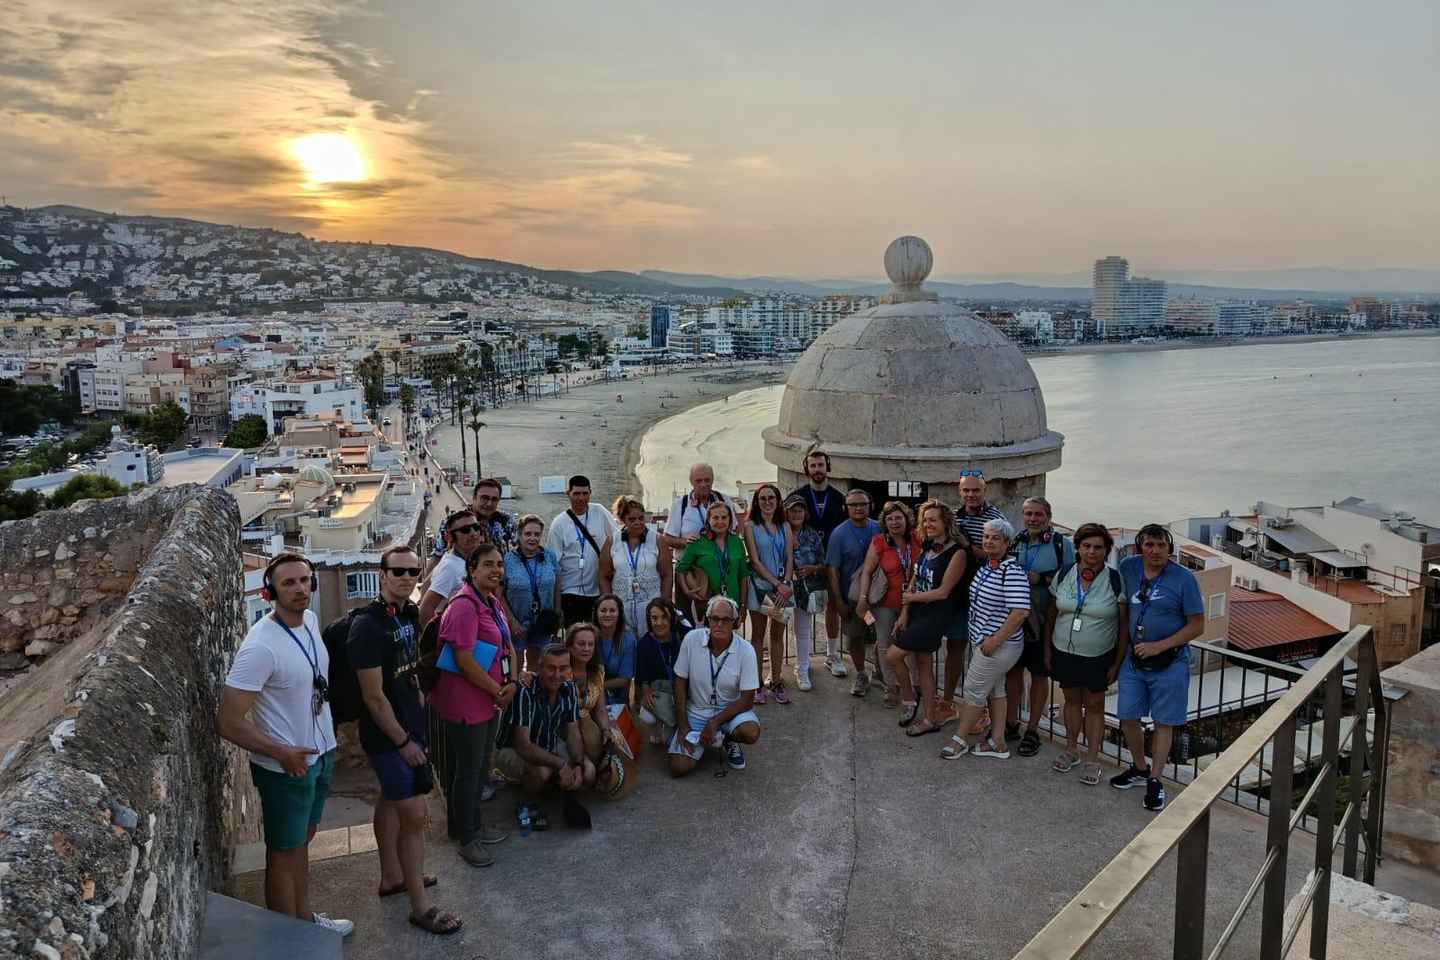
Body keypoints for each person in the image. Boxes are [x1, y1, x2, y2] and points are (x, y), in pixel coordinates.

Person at [216, 554, 351, 937]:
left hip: (320, 755)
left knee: (302, 842)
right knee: (282, 851)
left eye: (305, 580)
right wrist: (281, 752)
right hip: (286, 767)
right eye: (288, 583)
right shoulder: (260, 647)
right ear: (269, 591)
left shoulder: (308, 622)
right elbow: (227, 721)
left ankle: (305, 923)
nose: (299, 588)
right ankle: (289, 940)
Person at [347, 546, 460, 935]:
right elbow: (374, 698)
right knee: (414, 817)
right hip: (389, 736)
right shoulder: (367, 628)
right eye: (398, 571)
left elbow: (410, 666)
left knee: (391, 801)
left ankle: (392, 877)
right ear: (382, 574)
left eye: (414, 571)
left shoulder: (409, 614)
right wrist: (403, 743)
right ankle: (420, 906)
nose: (407, 578)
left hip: (409, 725)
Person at [430, 543, 517, 867]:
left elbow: (503, 644)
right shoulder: (464, 606)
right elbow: (464, 660)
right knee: (468, 772)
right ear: (471, 570)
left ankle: (472, 825)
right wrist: (499, 690)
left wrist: (509, 683)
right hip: (468, 701)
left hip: (488, 698)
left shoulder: (490, 601)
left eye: (499, 564)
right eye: (488, 565)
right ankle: (467, 838)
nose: (496, 570)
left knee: (480, 767)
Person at [1111, 524, 1204, 812]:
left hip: (1170, 661)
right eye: (1149, 545)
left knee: (1164, 722)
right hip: (1134, 659)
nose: (1155, 551)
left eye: (1161, 545)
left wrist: (1159, 646)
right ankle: (1139, 768)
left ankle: (1155, 779)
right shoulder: (1128, 567)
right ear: (1140, 547)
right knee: (1127, 716)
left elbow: (1197, 625)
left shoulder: (1184, 579)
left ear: (1169, 548)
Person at [1045, 524, 1128, 786]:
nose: (1092, 552)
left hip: (1098, 655)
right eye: (1086, 546)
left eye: (1098, 547)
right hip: (1064, 650)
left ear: (1106, 551)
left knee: (1094, 705)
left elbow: (1124, 625)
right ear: (1078, 548)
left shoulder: (1114, 579)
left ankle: (1093, 758)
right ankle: (1071, 749)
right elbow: (1052, 613)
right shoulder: (1065, 573)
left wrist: (1117, 662)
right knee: (1071, 701)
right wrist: (1047, 648)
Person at [941, 518, 1031, 761]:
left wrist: (995, 641)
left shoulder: (1011, 571)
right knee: (996, 689)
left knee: (973, 690)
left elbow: (1020, 611)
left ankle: (959, 740)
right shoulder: (988, 566)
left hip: (998, 645)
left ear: (1006, 542)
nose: (989, 541)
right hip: (986, 641)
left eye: (995, 538)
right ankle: (998, 742)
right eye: (986, 537)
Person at [889, 501, 967, 736]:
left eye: (933, 519)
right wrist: (905, 611)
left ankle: (909, 700)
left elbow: (944, 591)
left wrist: (912, 598)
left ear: (945, 522)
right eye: (925, 520)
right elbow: (915, 577)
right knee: (923, 664)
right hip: (916, 611)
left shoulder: (958, 552)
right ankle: (930, 718)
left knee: (893, 655)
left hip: (935, 615)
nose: (928, 524)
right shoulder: (928, 546)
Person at [1006, 496, 1075, 757]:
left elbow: (1070, 580)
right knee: (1013, 673)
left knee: (1038, 676)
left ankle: (1032, 729)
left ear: (1048, 516)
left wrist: (1041, 578)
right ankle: (1012, 723)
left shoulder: (1061, 545)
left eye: (1038, 514)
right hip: (1015, 620)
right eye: (1028, 514)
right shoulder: (1016, 541)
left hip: (1044, 622)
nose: (1033, 519)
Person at [494, 643, 590, 832]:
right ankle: (526, 804)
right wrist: (561, 764)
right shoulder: (525, 691)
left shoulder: (568, 688)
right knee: (543, 772)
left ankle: (552, 787)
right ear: (539, 667)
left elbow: (573, 731)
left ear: (569, 669)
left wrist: (577, 764)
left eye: (563, 668)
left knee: (588, 770)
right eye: (551, 668)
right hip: (511, 749)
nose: (556, 675)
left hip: (546, 743)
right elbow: (523, 745)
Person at [669, 595, 762, 777]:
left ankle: (728, 738)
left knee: (750, 732)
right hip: (696, 710)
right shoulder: (691, 640)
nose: (719, 624)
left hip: (730, 712)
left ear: (735, 623)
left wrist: (714, 722)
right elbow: (679, 682)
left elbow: (748, 700)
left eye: (726, 620)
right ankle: (707, 740)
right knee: (678, 767)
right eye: (715, 619)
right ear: (707, 620)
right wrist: (683, 725)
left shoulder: (746, 650)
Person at [786, 450, 848, 676]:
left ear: (827, 467)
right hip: (804, 563)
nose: (817, 470)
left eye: (820, 465)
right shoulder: (797, 496)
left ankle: (832, 655)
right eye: (812, 466)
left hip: (831, 562)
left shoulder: (840, 498)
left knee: (833, 608)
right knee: (801, 611)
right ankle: (802, 661)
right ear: (807, 469)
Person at [856, 501, 922, 708]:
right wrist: (863, 599)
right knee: (885, 645)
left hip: (912, 602)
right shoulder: (879, 542)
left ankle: (913, 686)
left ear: (907, 519)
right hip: (884, 603)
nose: (894, 522)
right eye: (890, 518)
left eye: (898, 518)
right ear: (884, 522)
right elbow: (867, 571)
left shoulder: (918, 539)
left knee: (910, 645)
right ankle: (890, 687)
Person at [825, 489, 883, 697]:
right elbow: (833, 569)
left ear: (870, 506)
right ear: (845, 508)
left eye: (862, 504)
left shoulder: (879, 528)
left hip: (877, 598)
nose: (858, 508)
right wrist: (838, 600)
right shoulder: (839, 534)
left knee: (880, 634)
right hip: (854, 600)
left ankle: (880, 671)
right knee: (855, 637)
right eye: (853, 505)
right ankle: (861, 674)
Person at [742, 483, 794, 704]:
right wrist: (776, 584)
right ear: (757, 502)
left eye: (771, 498)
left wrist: (787, 583)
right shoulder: (750, 526)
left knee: (777, 635)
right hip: (761, 587)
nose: (767, 502)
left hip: (782, 589)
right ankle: (756, 683)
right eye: (762, 498)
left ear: (777, 500)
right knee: (757, 636)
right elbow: (754, 561)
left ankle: (776, 679)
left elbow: (790, 557)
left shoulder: (785, 526)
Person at [547, 475, 619, 627]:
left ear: (590, 493)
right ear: (568, 493)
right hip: (570, 592)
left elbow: (617, 538)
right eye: (577, 494)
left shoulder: (599, 511)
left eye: (585, 494)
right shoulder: (558, 523)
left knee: (597, 638)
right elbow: (554, 564)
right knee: (576, 639)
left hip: (597, 591)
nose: (581, 498)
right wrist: (557, 605)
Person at [599, 495, 672, 634]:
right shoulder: (612, 542)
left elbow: (667, 574)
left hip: (651, 608)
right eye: (632, 519)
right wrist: (608, 603)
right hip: (622, 607)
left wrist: (663, 604)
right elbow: (603, 575)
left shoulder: (657, 540)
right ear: (622, 520)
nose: (637, 522)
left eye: (641, 518)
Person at [503, 514, 562, 671]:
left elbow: (557, 584)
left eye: (537, 534)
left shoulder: (549, 556)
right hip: (518, 622)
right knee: (516, 665)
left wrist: (556, 613)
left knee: (537, 665)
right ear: (519, 535)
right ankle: (518, 694)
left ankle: (534, 694)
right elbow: (498, 592)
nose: (532, 538)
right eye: (528, 534)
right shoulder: (508, 560)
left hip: (542, 621)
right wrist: (512, 621)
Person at [784, 493, 826, 692]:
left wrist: (813, 569)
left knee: (803, 629)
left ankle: (802, 668)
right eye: (793, 510)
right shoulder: (779, 532)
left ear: (805, 513)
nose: (796, 514)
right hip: (781, 585)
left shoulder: (812, 535)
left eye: (800, 510)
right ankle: (774, 670)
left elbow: (823, 561)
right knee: (777, 628)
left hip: (805, 586)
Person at [675, 499, 750, 608]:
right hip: (706, 603)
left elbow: (743, 575)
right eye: (715, 518)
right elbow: (680, 570)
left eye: (724, 517)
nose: (720, 521)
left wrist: (743, 605)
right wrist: (687, 591)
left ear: (730, 520)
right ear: (708, 520)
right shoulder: (698, 542)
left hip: (733, 603)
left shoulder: (737, 542)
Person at [419, 510, 487, 627]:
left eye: (476, 527)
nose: (473, 533)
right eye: (465, 530)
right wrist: (437, 642)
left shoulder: (459, 560)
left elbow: (425, 585)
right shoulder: (451, 567)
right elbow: (426, 607)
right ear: (450, 537)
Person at [660, 462, 739, 551]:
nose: (703, 484)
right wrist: (686, 542)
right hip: (690, 563)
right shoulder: (680, 504)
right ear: (691, 482)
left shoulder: (724, 499)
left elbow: (735, 529)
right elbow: (667, 538)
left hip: (720, 563)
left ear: (712, 480)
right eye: (698, 481)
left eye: (707, 480)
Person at [635, 599, 683, 745]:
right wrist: (645, 691)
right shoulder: (644, 643)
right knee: (647, 715)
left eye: (664, 617)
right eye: (654, 618)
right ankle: (656, 726)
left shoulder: (681, 638)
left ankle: (671, 725)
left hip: (679, 688)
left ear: (672, 618)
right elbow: (642, 675)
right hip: (658, 689)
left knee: (669, 742)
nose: (659, 623)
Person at [592, 594, 638, 711]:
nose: (607, 614)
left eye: (612, 610)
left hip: (617, 700)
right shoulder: (589, 636)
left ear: (619, 614)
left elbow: (625, 680)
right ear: (596, 613)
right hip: (590, 697)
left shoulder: (628, 639)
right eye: (603, 610)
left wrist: (597, 687)